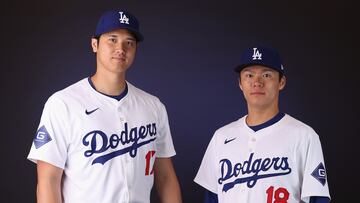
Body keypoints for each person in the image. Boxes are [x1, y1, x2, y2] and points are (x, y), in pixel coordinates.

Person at [27, 10, 182, 203]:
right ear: (95, 44)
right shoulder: (63, 103)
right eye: (112, 39)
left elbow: (166, 178)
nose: (121, 49)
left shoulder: (153, 106)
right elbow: (48, 181)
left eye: (129, 42)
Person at [194, 46, 331, 203]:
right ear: (240, 83)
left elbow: (317, 199)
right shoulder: (221, 136)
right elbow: (211, 198)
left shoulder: (304, 136)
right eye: (249, 75)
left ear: (281, 82)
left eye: (266, 75)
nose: (257, 82)